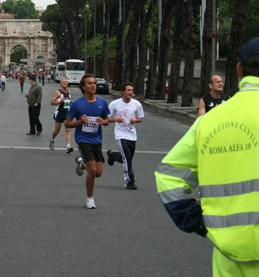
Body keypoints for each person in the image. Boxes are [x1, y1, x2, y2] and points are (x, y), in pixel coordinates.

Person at [155, 37, 259, 276]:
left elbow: (168, 175)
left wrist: (197, 221)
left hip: (228, 252)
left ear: (240, 70)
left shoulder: (210, 121)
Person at [65, 74, 110, 209]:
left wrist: (104, 121)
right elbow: (67, 123)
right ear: (83, 87)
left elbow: (107, 120)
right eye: (90, 83)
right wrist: (80, 122)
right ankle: (89, 200)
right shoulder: (77, 104)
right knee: (93, 170)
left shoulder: (102, 102)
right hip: (83, 139)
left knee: (98, 173)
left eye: (94, 83)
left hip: (97, 139)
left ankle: (82, 163)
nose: (93, 86)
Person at [107, 82, 144, 190]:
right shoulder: (115, 104)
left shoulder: (136, 104)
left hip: (132, 135)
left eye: (132, 90)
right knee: (127, 158)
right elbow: (107, 117)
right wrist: (116, 119)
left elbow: (140, 118)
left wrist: (136, 120)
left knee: (127, 158)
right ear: (123, 91)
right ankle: (130, 181)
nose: (130, 92)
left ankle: (113, 156)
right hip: (120, 135)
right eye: (128, 90)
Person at [49, 78, 72, 152]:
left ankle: (68, 146)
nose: (65, 83)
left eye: (66, 82)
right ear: (61, 84)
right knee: (57, 131)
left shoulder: (69, 92)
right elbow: (52, 102)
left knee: (68, 129)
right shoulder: (58, 92)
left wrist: (71, 103)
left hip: (66, 113)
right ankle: (52, 139)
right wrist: (60, 102)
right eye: (63, 82)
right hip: (59, 113)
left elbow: (67, 103)